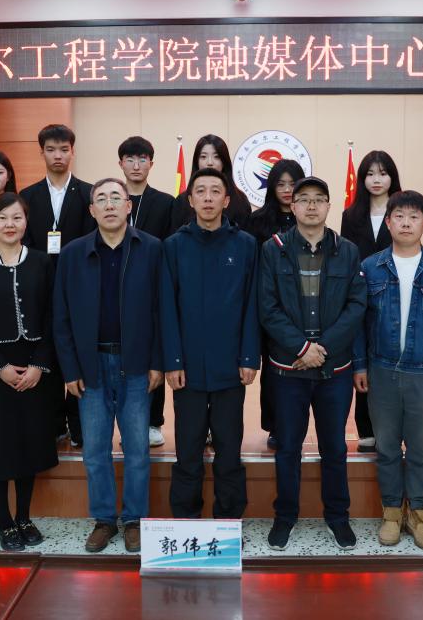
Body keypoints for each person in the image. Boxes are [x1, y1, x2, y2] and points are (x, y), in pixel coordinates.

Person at [52, 178, 163, 554]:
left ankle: (134, 520)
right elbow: (61, 316)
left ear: (129, 206)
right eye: (102, 199)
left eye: (117, 197)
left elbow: (161, 310)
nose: (110, 204)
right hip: (91, 364)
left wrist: (157, 362)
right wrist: (70, 369)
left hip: (136, 362)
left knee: (137, 449)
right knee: (95, 450)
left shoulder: (151, 248)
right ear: (92, 210)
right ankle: (103, 519)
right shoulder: (73, 253)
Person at [259, 176, 366, 551]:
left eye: (319, 199)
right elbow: (267, 308)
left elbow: (356, 305)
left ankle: (338, 517)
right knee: (288, 446)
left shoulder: (347, 251)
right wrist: (302, 348)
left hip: (334, 370)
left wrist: (324, 348)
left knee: (334, 447)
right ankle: (285, 517)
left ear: (329, 206)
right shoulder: (272, 249)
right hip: (288, 369)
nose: (311, 206)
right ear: (293, 206)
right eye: (303, 199)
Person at [352, 191, 423, 551]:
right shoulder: (370, 267)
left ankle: (418, 514)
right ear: (388, 222)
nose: (405, 223)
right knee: (386, 447)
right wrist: (359, 365)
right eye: (398, 216)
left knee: (419, 450)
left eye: (414, 217)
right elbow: (358, 323)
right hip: (381, 370)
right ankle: (390, 514)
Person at [161, 167, 260, 519]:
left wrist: (249, 356)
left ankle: (228, 521)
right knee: (187, 451)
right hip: (187, 369)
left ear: (226, 200)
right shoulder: (174, 246)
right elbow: (167, 307)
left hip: (230, 366)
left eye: (215, 191)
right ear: (190, 200)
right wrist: (172, 361)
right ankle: (185, 519)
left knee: (229, 450)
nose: (207, 198)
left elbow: (252, 305)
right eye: (200, 191)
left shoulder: (245, 245)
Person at [0, 193, 59, 551]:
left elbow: (52, 316)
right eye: (2, 218)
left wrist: (39, 365)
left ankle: (24, 516)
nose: (9, 224)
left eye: (17, 217)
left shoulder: (42, 262)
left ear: (26, 222)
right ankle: (4, 520)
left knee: (29, 442)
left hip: (35, 367)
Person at [20, 123, 95, 448]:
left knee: (79, 355)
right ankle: (54, 424)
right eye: (51, 150)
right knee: (47, 354)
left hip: (80, 288)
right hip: (40, 289)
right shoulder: (27, 196)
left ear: (72, 152)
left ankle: (79, 426)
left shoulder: (88, 193)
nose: (58, 156)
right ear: (42, 153)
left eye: (64, 149)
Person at [340, 150, 402, 452]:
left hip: (395, 293)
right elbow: (346, 258)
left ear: (392, 177)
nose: (377, 180)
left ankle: (390, 427)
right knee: (362, 360)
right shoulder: (350, 215)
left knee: (390, 359)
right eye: (370, 174)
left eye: (383, 173)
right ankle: (366, 428)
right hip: (361, 295)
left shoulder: (402, 211)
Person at [118, 135, 175, 449]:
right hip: (116, 288)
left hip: (152, 287)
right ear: (121, 164)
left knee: (154, 352)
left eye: (142, 159)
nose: (136, 165)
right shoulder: (112, 198)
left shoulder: (166, 202)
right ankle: (124, 419)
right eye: (130, 159)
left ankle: (154, 421)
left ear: (151, 163)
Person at [243, 159, 303, 449]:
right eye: (281, 184)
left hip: (301, 307)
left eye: (292, 184)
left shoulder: (308, 218)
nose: (287, 189)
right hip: (267, 305)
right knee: (272, 370)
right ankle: (275, 426)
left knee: (299, 368)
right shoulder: (257, 221)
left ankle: (294, 425)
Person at [170, 134, 251, 230]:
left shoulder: (240, 200)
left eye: (216, 157)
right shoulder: (182, 201)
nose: (209, 163)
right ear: (197, 162)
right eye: (203, 157)